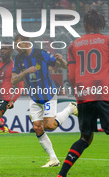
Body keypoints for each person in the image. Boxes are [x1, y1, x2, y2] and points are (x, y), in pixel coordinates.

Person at [11, 34, 78, 168]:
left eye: (18, 45)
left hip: (48, 94)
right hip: (34, 97)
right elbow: (13, 80)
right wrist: (25, 72)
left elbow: (64, 66)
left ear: (26, 43)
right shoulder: (18, 59)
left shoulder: (41, 53)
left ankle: (71, 108)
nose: (16, 48)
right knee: (37, 127)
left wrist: (62, 60)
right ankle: (53, 159)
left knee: (50, 126)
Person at [57, 9, 109, 177]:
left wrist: (80, 92)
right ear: (101, 24)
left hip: (84, 95)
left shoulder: (73, 45)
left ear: (85, 24)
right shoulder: (107, 41)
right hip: (104, 93)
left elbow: (72, 76)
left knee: (85, 138)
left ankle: (62, 174)